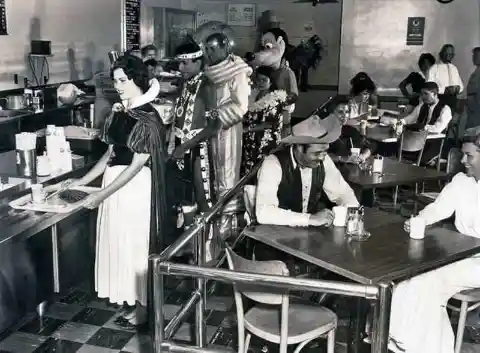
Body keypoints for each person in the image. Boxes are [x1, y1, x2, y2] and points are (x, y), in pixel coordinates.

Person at [50, 55, 170, 328]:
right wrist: (83, 182)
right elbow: (111, 154)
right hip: (114, 184)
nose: (118, 86)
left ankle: (143, 306)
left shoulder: (148, 118)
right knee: (118, 244)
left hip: (134, 190)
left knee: (135, 247)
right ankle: (131, 302)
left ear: (137, 80)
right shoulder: (121, 112)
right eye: (115, 81)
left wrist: (101, 195)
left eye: (123, 80)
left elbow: (137, 165)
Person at [382, 132, 480, 353]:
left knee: (426, 282)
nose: (463, 161)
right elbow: (439, 208)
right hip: (462, 256)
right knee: (411, 276)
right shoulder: (461, 181)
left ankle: (403, 342)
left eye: (469, 156)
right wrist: (419, 221)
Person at [255, 114, 359, 227]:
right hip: (273, 236)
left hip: (308, 236)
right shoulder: (273, 163)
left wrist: (351, 213)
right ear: (299, 148)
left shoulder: (324, 160)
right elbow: (264, 212)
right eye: (316, 153)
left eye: (325, 152)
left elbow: (343, 193)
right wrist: (310, 219)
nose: (322, 158)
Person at [202, 32, 252, 244]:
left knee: (227, 171)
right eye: (207, 49)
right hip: (211, 129)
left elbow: (241, 106)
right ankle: (216, 220)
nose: (209, 53)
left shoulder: (237, 71)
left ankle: (229, 227)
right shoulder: (211, 72)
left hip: (228, 129)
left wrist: (216, 115)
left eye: (213, 49)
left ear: (225, 48)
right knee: (212, 170)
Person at [168, 41, 217, 218]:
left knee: (204, 197)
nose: (181, 68)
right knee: (185, 196)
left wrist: (185, 146)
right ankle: (189, 240)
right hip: (181, 145)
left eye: (185, 63)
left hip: (198, 147)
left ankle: (209, 241)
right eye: (179, 63)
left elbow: (214, 125)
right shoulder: (185, 83)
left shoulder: (207, 86)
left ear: (198, 62)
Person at [381, 81, 452, 164]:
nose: (423, 97)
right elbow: (411, 117)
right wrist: (400, 122)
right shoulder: (422, 105)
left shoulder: (445, 109)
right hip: (417, 139)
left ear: (434, 94)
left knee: (403, 151)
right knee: (389, 147)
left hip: (433, 143)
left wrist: (420, 127)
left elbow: (437, 129)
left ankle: (418, 164)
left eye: (426, 94)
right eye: (422, 94)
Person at [247, 27, 299, 134]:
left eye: (268, 46)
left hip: (280, 117)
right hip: (260, 117)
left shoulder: (287, 73)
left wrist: (275, 101)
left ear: (281, 43)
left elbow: (293, 96)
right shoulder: (263, 71)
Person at [242, 66, 291, 176]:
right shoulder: (254, 95)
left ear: (271, 81)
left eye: (264, 80)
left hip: (265, 142)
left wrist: (247, 129)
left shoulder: (275, 99)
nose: (260, 83)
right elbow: (250, 116)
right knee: (248, 171)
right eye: (258, 79)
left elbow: (270, 123)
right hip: (251, 140)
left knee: (262, 171)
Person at [426, 44, 464, 112]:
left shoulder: (454, 68)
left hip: (453, 102)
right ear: (441, 54)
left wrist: (458, 88)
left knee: (450, 121)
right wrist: (445, 90)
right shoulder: (433, 69)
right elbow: (429, 88)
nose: (449, 56)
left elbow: (461, 86)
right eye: (446, 53)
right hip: (439, 101)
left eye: (451, 54)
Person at [466, 47, 480, 130]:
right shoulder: (476, 71)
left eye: (476, 56)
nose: (474, 58)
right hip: (472, 107)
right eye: (474, 56)